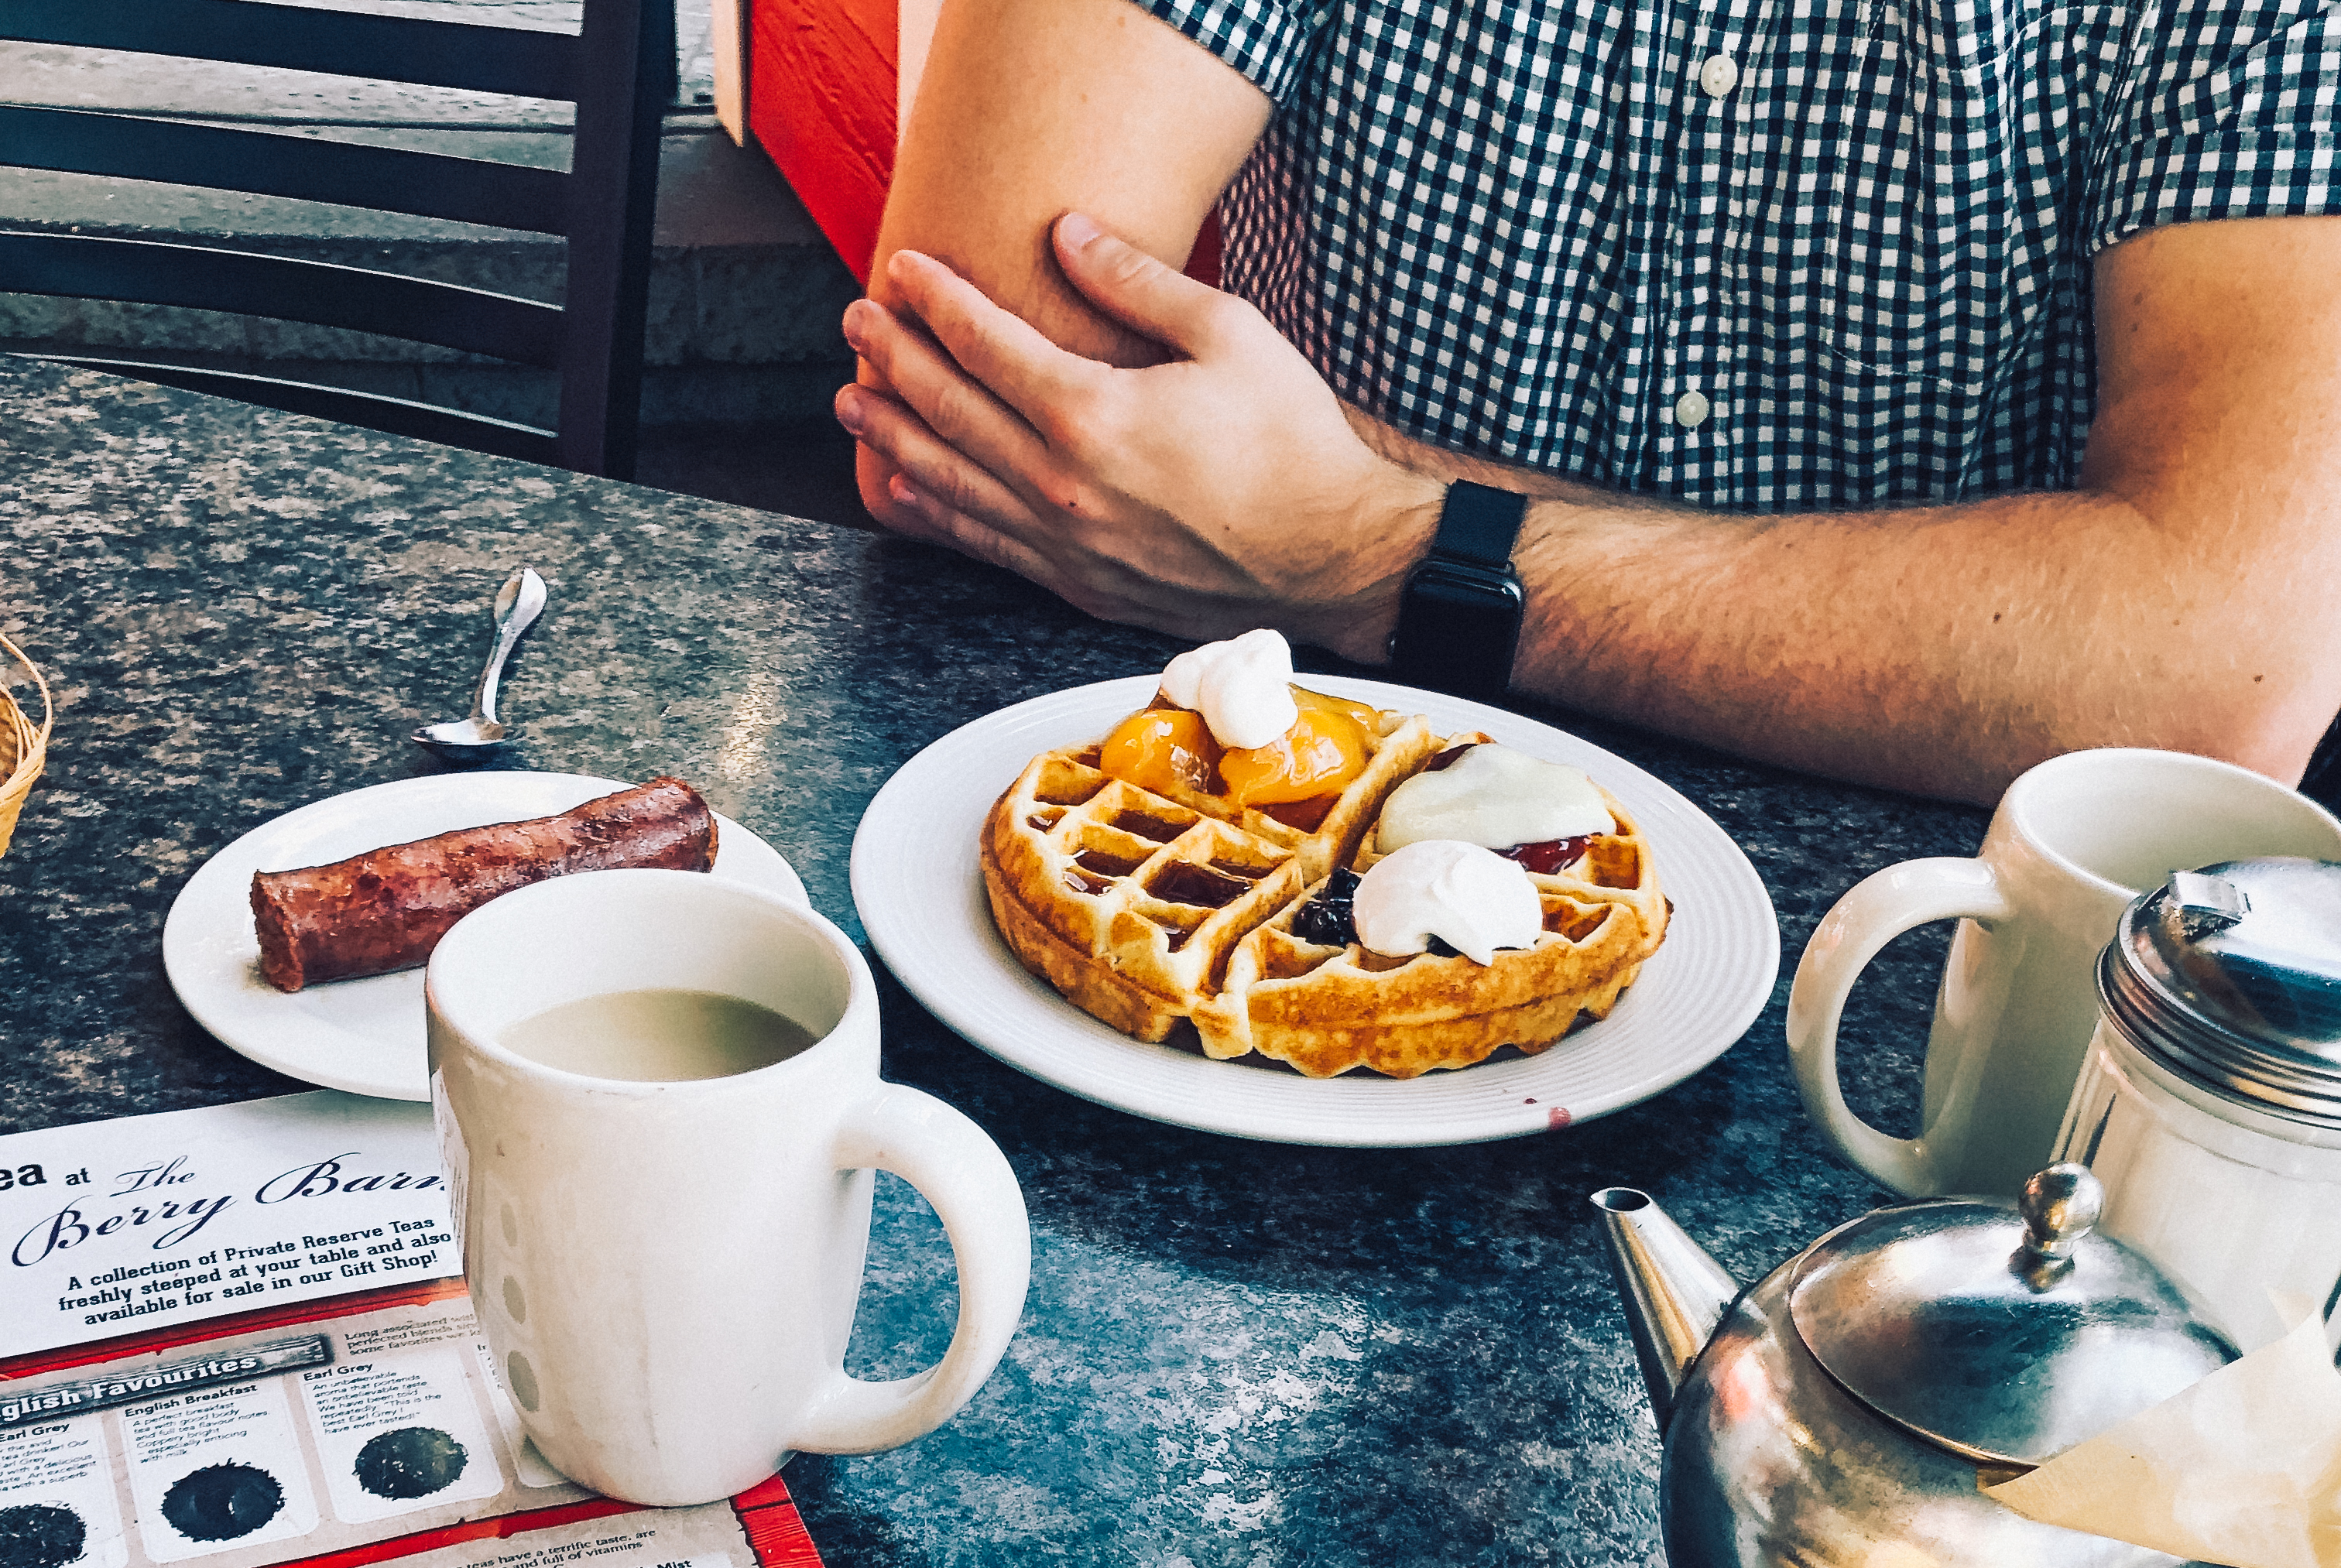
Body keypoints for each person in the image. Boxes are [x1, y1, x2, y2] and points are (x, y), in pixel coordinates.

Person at [835, 0, 2341, 802]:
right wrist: (1892, 629)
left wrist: (1368, 546)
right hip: (1267, 815)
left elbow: (2214, 671)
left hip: (1916, 987)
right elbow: (973, 387)